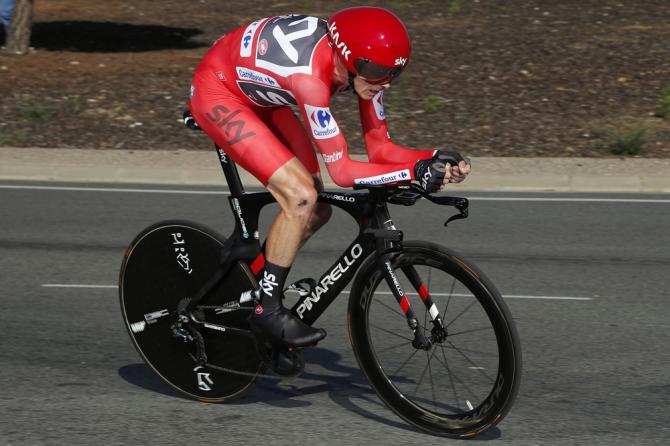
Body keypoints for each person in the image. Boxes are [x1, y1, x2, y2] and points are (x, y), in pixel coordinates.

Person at [188, 6, 471, 348]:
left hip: (265, 97)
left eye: (395, 73)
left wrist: (432, 158)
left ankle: (260, 278)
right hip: (219, 91)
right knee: (300, 197)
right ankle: (266, 310)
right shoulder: (311, 79)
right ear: (348, 58)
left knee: (318, 207)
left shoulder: (365, 70)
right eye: (378, 71)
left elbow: (380, 149)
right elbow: (342, 171)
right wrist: (414, 172)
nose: (384, 82)